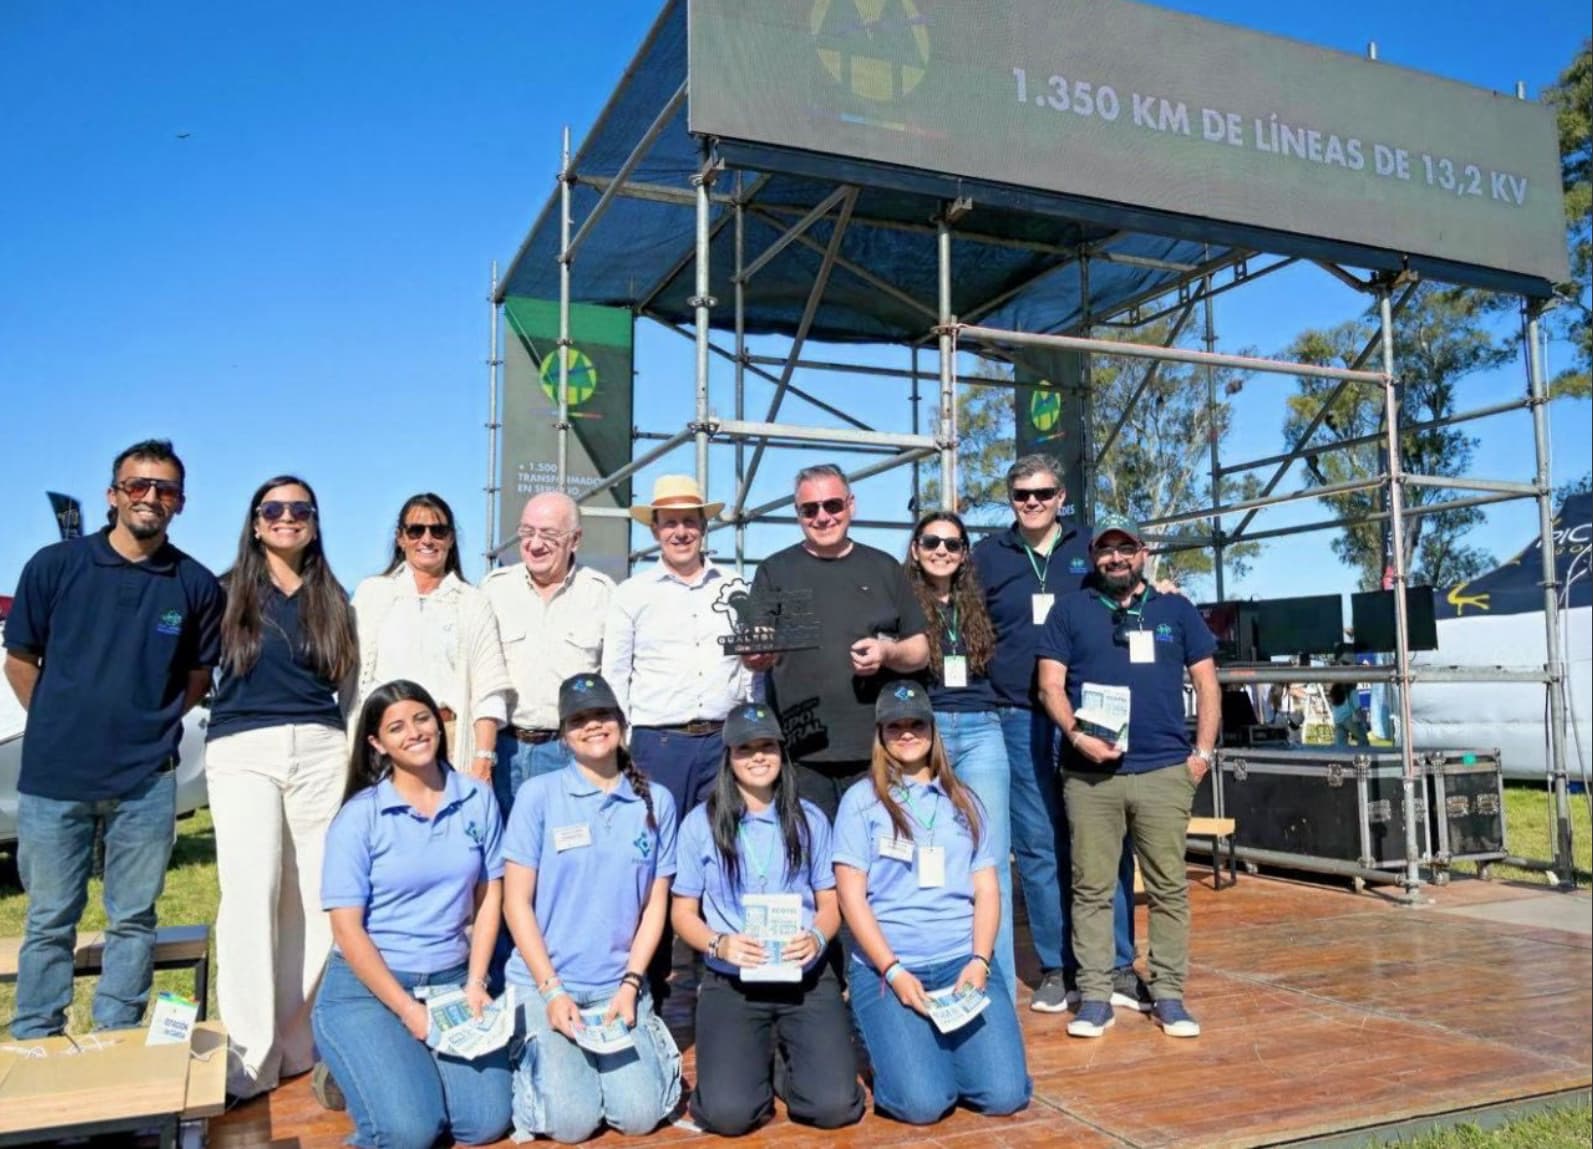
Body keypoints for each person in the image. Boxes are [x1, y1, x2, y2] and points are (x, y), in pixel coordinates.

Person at [3, 439, 222, 1039]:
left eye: (165, 489)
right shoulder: (54, 566)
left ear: (180, 502)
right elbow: (19, 657)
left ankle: (116, 1041)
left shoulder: (195, 585)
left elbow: (199, 675)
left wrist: (148, 728)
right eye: (138, 485)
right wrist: (55, 721)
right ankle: (36, 1043)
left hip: (145, 784)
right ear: (113, 494)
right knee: (49, 920)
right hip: (55, 780)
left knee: (134, 920)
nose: (151, 497)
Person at [1036, 513, 1220, 1040]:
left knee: (1168, 888)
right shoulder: (1071, 610)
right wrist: (1075, 736)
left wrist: (1201, 755)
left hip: (1164, 770)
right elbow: (1050, 686)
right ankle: (1095, 996)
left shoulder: (1175, 609)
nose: (1115, 558)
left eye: (1125, 549)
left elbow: (1207, 684)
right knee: (1091, 887)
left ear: (1143, 553)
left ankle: (1168, 995)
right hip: (1090, 775)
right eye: (1105, 551)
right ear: (1093, 557)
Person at [971, 454, 1139, 1013]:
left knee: (1101, 839)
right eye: (1022, 495)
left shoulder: (1092, 546)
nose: (1033, 503)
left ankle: (1116, 963)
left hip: (1088, 711)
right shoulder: (988, 556)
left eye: (1043, 493)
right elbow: (964, 625)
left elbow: (1134, 598)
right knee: (1038, 843)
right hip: (1018, 714)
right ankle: (1055, 966)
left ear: (1061, 496)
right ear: (1010, 500)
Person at [207, 474, 357, 1097]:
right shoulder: (224, 592)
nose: (287, 517)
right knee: (252, 891)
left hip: (321, 747)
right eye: (274, 509)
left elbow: (348, 680)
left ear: (315, 522)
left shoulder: (333, 597)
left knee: (313, 897)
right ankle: (249, 1054)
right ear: (255, 521)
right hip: (244, 747)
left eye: (301, 509)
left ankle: (297, 1045)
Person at [312, 681, 511, 1149]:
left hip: (450, 982)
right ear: (378, 744)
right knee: (410, 1132)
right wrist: (407, 1012)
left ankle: (390, 1071)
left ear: (440, 723)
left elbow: (489, 900)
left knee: (483, 1124)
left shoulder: (477, 799)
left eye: (422, 719)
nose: (415, 733)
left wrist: (476, 983)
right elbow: (346, 927)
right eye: (396, 727)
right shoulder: (359, 818)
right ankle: (356, 1062)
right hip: (370, 991)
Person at [833, 681, 1030, 1125]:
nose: (906, 734)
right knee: (923, 1105)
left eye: (916, 724)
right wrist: (893, 970)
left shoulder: (966, 801)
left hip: (962, 965)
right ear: (880, 734)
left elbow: (987, 889)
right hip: (890, 971)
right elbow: (851, 897)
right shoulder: (859, 803)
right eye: (895, 726)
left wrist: (981, 960)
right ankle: (895, 1039)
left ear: (932, 730)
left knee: (1005, 1095)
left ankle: (936, 1050)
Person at [501, 673, 682, 1144]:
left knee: (642, 1115)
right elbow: (515, 902)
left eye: (602, 715)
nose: (593, 726)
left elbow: (654, 908)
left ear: (621, 723)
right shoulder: (537, 796)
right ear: (564, 735)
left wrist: (631, 985)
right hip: (547, 984)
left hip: (616, 988)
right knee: (569, 1124)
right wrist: (551, 990)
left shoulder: (656, 801)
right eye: (579, 720)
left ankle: (627, 1049)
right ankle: (532, 1056)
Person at [670, 701, 865, 1136]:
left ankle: (780, 1062)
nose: (758, 757)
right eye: (745, 748)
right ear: (729, 758)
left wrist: (816, 937)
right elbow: (682, 913)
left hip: (804, 977)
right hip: (733, 979)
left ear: (781, 752)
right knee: (727, 1115)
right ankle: (752, 1059)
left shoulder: (810, 819)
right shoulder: (699, 825)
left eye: (767, 746)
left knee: (835, 1107)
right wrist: (719, 943)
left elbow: (831, 903)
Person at [603, 475, 752, 999]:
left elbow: (750, 667)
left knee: (725, 855)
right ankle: (651, 988)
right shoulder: (631, 595)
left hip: (721, 742)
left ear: (704, 527)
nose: (680, 531)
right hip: (657, 745)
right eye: (670, 523)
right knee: (655, 864)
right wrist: (621, 748)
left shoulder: (734, 588)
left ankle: (727, 981)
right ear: (656, 530)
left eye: (690, 521)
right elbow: (615, 674)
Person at [742, 464, 930, 822]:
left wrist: (888, 652)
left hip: (877, 750)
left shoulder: (884, 568)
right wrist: (757, 655)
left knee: (878, 864)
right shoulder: (774, 571)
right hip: (800, 754)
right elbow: (755, 655)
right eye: (809, 509)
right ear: (797, 514)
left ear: (851, 505)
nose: (823, 517)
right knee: (814, 866)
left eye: (832, 505)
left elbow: (919, 650)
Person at [902, 509, 1016, 1003]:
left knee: (990, 858)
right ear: (915, 549)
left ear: (965, 553)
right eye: (932, 542)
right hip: (924, 732)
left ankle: (999, 989)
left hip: (981, 728)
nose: (941, 551)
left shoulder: (980, 602)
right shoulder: (900, 600)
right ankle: (926, 981)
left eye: (952, 544)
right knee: (927, 853)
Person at [351, 493, 512, 783]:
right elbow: (349, 678)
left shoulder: (473, 602)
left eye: (438, 531)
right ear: (400, 538)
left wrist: (483, 759)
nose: (427, 539)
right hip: (384, 746)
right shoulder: (371, 594)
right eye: (416, 530)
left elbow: (489, 690)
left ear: (451, 539)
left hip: (448, 741)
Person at [483, 492, 614, 814]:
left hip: (570, 752)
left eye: (549, 534)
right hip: (504, 750)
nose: (534, 544)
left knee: (569, 849)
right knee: (504, 857)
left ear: (575, 540)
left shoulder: (603, 594)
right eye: (527, 532)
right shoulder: (492, 590)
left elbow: (616, 681)